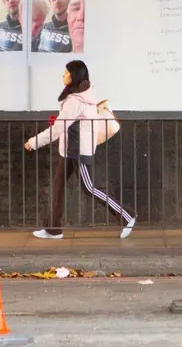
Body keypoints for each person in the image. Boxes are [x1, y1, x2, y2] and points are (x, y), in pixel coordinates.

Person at [24, 60, 136, 239]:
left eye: (66, 72)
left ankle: (126, 215)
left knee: (89, 187)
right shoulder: (80, 96)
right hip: (69, 149)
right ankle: (53, 229)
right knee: (58, 187)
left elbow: (58, 129)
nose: (63, 75)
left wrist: (34, 142)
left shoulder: (76, 101)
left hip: (78, 150)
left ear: (74, 76)